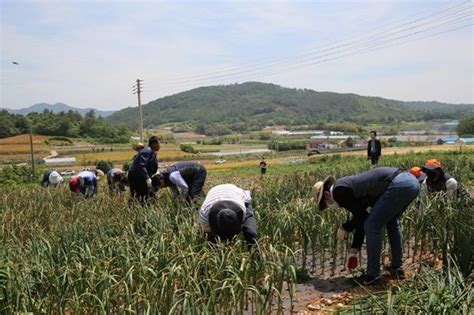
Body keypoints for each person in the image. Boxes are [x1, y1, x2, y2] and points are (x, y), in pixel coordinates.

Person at [312, 167, 420, 285]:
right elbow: (361, 217)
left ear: (327, 195)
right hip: (411, 182)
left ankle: (373, 275)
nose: (329, 206)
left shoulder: (339, 192)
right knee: (391, 221)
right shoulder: (344, 187)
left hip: (399, 184)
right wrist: (353, 251)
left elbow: (363, 218)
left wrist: (345, 227)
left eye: (326, 204)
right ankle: (397, 267)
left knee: (372, 226)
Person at [127, 136, 160, 203]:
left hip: (142, 176)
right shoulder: (146, 151)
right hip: (137, 177)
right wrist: (147, 178)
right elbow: (142, 166)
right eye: (159, 143)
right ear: (154, 144)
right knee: (139, 196)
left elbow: (153, 168)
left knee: (147, 194)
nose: (160, 146)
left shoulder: (152, 153)